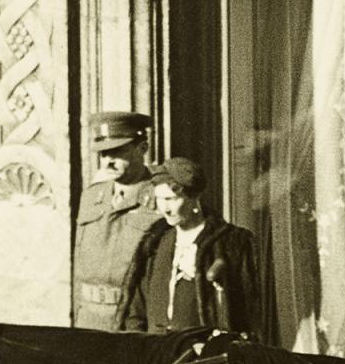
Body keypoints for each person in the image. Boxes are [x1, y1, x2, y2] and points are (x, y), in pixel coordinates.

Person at [117, 157, 277, 342]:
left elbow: (247, 311)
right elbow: (137, 308)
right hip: (159, 356)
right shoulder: (157, 242)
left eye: (171, 199)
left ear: (194, 197)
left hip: (202, 358)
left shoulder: (230, 244)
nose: (165, 209)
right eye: (160, 199)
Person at [73, 111, 160, 330]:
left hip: (131, 322)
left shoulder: (161, 200)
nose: (107, 161)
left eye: (117, 152)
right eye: (103, 154)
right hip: (88, 320)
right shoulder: (92, 196)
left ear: (142, 149)